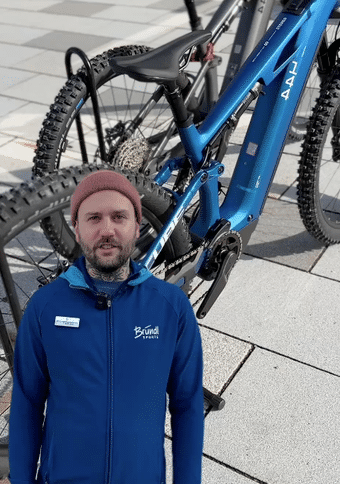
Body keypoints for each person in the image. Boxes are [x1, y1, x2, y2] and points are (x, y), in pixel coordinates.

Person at [9, 169, 204, 484]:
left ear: (136, 225)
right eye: (94, 218)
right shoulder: (45, 307)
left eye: (119, 217)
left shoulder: (171, 307)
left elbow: (188, 405)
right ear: (76, 229)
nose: (107, 230)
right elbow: (27, 405)